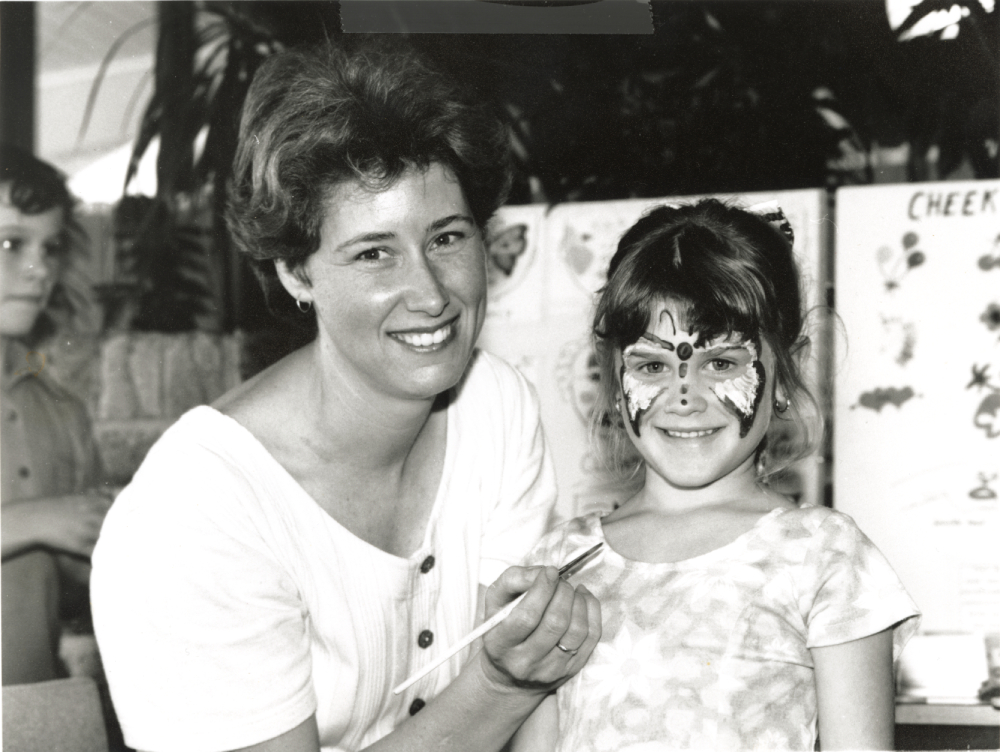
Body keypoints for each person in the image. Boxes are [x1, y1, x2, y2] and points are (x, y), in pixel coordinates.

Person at [91, 41, 601, 752]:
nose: (430, 294)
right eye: (373, 252)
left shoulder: (495, 406)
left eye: (448, 237)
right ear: (296, 272)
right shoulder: (197, 514)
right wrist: (501, 684)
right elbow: (510, 684)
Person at [512, 199, 921, 751]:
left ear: (783, 373)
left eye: (723, 364)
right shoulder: (559, 563)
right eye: (652, 366)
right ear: (613, 374)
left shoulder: (825, 556)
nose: (685, 399)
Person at [1, 145, 111, 684]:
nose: (38, 267)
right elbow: (45, 520)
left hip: (34, 703)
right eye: (10, 243)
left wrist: (98, 541)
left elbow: (74, 581)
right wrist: (31, 520)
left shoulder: (60, 408)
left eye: (50, 247)